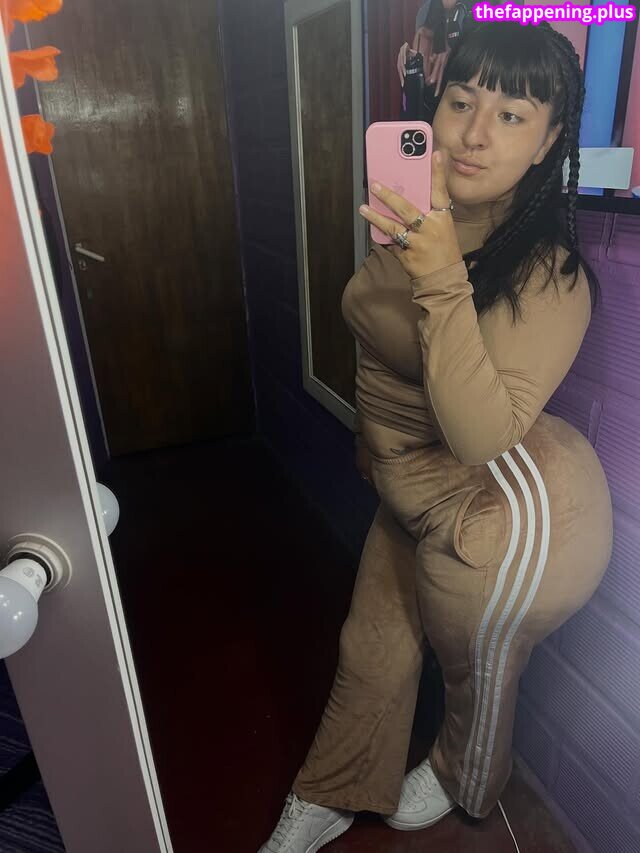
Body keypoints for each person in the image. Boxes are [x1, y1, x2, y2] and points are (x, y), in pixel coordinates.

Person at [258, 20, 614, 853]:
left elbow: (479, 432)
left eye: (513, 116)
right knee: (372, 643)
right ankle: (333, 788)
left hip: (503, 509)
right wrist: (369, 440)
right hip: (409, 481)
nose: (474, 133)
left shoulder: (550, 271)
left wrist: (441, 275)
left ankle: (466, 777)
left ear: (548, 143)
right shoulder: (415, 213)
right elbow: (382, 347)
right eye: (462, 101)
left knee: (474, 665)